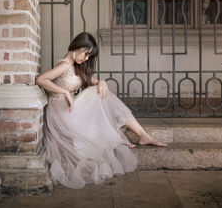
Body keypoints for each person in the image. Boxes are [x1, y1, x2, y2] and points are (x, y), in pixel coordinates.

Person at [36, 32, 166, 189]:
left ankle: (142, 135)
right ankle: (141, 135)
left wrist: (101, 82)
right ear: (77, 47)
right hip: (60, 113)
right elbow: (41, 79)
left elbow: (89, 80)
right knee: (101, 97)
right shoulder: (64, 65)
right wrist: (64, 92)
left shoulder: (75, 66)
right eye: (86, 53)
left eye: (89, 56)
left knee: (102, 93)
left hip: (70, 109)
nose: (86, 58)